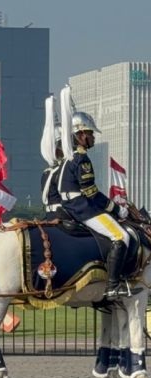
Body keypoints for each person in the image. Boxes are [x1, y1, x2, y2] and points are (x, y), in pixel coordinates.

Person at [57, 112, 137, 301]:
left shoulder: (68, 158)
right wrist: (117, 209)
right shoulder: (81, 159)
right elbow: (91, 193)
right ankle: (112, 286)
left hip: (69, 206)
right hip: (82, 208)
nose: (93, 137)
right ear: (81, 134)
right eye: (90, 134)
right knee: (121, 236)